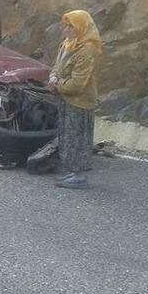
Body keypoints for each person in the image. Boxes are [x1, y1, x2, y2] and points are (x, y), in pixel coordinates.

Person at [49, 10, 102, 190]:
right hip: (65, 98)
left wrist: (57, 83)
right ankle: (72, 171)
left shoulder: (87, 49)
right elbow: (57, 66)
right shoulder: (67, 44)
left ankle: (79, 175)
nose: (66, 30)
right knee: (67, 136)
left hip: (80, 101)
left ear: (81, 27)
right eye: (65, 26)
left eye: (71, 26)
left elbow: (78, 84)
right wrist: (53, 76)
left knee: (78, 138)